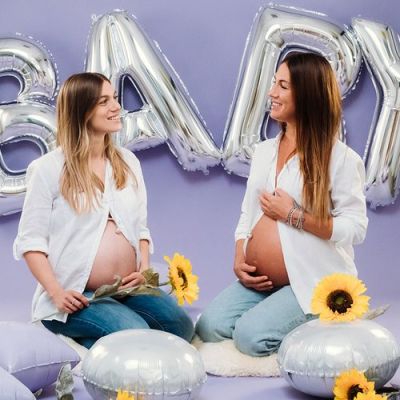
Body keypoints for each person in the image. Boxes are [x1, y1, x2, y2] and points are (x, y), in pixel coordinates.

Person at [196, 52, 368, 357]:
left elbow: (355, 228)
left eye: (283, 86)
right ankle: (277, 311)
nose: (272, 93)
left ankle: (326, 320)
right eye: (274, 83)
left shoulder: (341, 159)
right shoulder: (264, 152)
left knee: (250, 338)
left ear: (308, 94)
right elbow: (248, 212)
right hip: (264, 282)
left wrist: (293, 215)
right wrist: (240, 255)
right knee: (209, 327)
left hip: (313, 279)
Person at [14, 72, 194, 348]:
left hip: (126, 289)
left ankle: (98, 334)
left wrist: (144, 270)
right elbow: (31, 243)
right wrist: (57, 293)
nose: (116, 107)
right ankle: (79, 338)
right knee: (137, 334)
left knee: (181, 328)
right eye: (104, 102)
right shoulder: (48, 169)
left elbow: (141, 229)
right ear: (81, 111)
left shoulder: (128, 162)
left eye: (115, 98)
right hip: (75, 295)